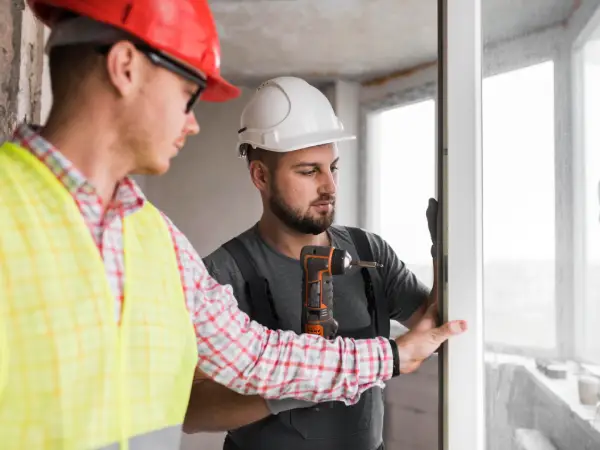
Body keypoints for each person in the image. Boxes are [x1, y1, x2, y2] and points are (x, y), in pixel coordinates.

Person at [0, 0, 466, 448]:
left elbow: (257, 356)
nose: (194, 123)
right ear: (125, 67)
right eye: (188, 95)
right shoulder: (9, 210)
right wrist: (393, 356)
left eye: (332, 167)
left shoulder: (155, 238)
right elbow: (196, 401)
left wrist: (396, 351)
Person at [183, 76, 445, 450]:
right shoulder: (223, 275)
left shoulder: (369, 251)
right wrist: (289, 390)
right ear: (260, 175)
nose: (330, 187)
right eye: (309, 171)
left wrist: (445, 256)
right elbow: (191, 409)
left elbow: (429, 332)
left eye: (332, 168)